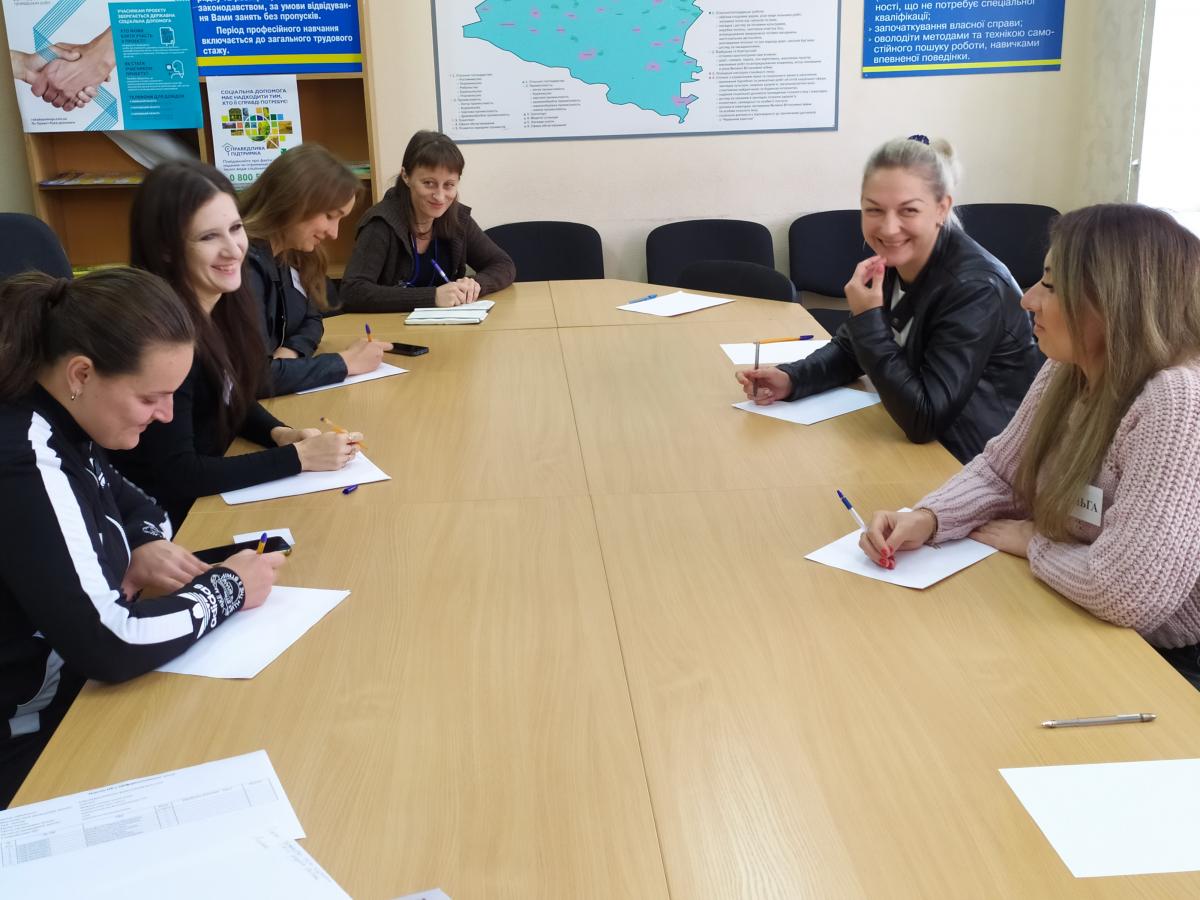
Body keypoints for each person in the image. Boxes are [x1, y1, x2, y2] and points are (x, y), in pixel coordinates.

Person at [860, 204, 1200, 686]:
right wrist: (929, 518)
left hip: (1168, 660)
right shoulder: (1069, 368)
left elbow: (1129, 592)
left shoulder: (1178, 401)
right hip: (1081, 613)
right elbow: (1002, 473)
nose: (1027, 299)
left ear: (1115, 302)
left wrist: (1034, 545)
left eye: (1051, 286)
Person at [0, 268, 286, 808]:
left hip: (73, 700)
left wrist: (140, 544)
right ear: (82, 373)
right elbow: (111, 644)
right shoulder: (25, 456)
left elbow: (142, 506)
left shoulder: (66, 418)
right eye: (152, 396)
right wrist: (227, 589)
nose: (167, 414)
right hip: (29, 742)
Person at [738, 135, 1042, 462]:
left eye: (908, 210)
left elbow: (925, 419)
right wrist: (792, 378)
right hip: (923, 446)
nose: (889, 228)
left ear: (941, 209)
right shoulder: (898, 260)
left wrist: (867, 320)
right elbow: (851, 351)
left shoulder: (975, 288)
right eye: (874, 210)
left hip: (979, 459)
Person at [112, 160, 361, 528]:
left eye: (235, 228)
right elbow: (179, 474)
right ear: (166, 249)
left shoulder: (223, 304)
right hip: (171, 523)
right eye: (208, 237)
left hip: (210, 495)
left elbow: (229, 394)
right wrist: (299, 458)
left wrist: (279, 433)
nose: (234, 250)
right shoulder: (163, 339)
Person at [239, 143, 389, 396]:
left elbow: (312, 319)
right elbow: (255, 379)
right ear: (293, 201)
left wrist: (291, 353)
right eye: (330, 216)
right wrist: (345, 363)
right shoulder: (243, 266)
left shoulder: (292, 252)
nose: (334, 233)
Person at [340, 129, 515, 312]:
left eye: (449, 185)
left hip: (448, 325)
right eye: (429, 183)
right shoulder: (380, 223)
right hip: (389, 327)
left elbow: (503, 264)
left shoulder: (457, 218)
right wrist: (432, 297)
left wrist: (475, 285)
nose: (439, 196)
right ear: (406, 176)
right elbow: (352, 292)